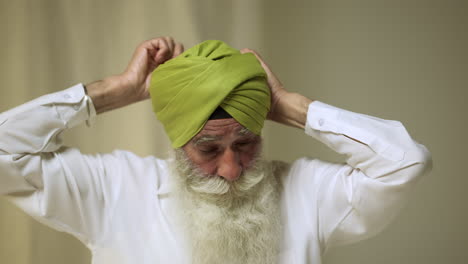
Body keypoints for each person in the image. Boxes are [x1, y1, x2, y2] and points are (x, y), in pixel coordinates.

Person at [0, 36, 432, 264]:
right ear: (177, 140)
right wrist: (115, 91)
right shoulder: (114, 190)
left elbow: (404, 161)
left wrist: (288, 105)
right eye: (209, 149)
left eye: (245, 143)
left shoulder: (307, 192)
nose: (231, 169)